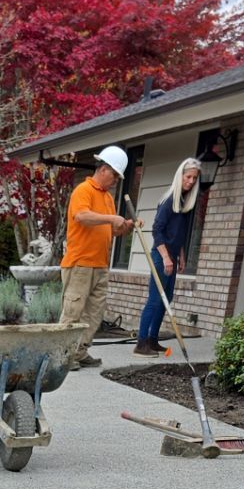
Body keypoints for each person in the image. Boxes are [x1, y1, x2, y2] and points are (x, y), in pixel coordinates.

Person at [60, 145, 135, 370]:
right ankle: (63, 356)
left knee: (94, 313)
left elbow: (110, 230)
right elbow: (81, 216)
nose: (115, 181)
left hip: (101, 265)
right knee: (73, 312)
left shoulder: (108, 199)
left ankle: (80, 352)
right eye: (114, 175)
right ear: (103, 169)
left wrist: (125, 227)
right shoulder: (83, 190)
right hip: (80, 263)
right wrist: (112, 219)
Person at [134, 158, 201, 356]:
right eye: (188, 176)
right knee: (155, 299)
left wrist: (180, 255)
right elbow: (157, 230)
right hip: (160, 254)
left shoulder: (185, 203)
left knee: (166, 298)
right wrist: (165, 257)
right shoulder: (170, 199)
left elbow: (178, 234)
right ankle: (141, 343)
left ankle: (153, 340)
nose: (190, 181)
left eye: (194, 178)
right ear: (180, 176)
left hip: (171, 254)